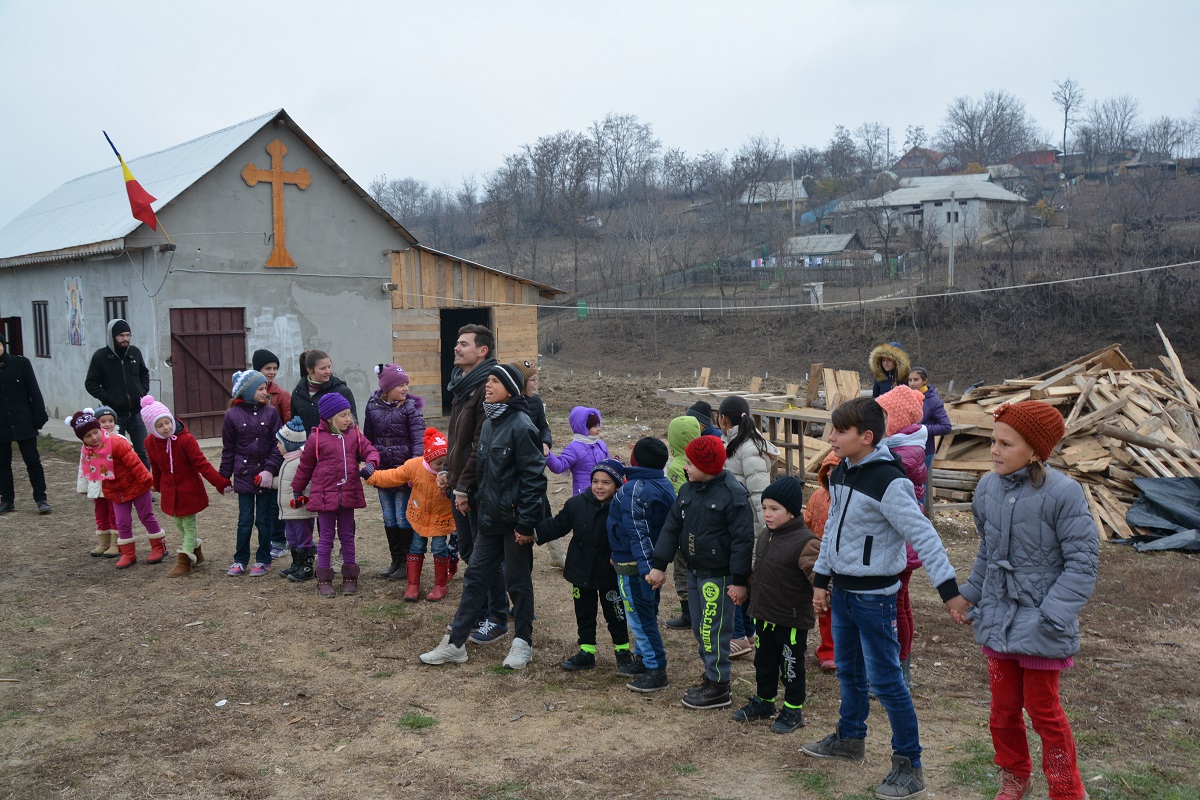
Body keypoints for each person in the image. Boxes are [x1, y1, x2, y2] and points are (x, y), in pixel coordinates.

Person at [800, 396, 969, 800]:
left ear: (867, 437)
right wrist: (821, 581)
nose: (832, 437)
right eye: (833, 429)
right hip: (842, 593)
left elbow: (924, 535)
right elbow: (833, 532)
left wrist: (950, 592)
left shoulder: (890, 482)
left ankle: (910, 765)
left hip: (876, 598)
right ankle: (850, 737)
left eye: (841, 431)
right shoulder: (840, 472)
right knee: (849, 670)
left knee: (888, 681)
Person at [959, 401, 1098, 800]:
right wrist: (970, 594)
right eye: (992, 441)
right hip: (997, 618)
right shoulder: (987, 488)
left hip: (1042, 626)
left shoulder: (1064, 494)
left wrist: (1053, 615)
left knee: (1045, 714)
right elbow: (988, 550)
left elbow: (1082, 563)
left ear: (1036, 450)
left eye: (1006, 443)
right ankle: (1015, 774)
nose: (995, 451)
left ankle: (1066, 789)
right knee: (1002, 713)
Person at [419, 363, 547, 670]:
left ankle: (522, 643)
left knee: (517, 581)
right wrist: (468, 494)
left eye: (494, 381)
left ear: (510, 389)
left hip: (515, 522)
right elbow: (484, 469)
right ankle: (455, 644)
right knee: (475, 576)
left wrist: (526, 523)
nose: (487, 386)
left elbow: (534, 479)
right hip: (489, 518)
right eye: (487, 380)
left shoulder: (521, 425)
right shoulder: (491, 422)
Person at [648, 435, 754, 710]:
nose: (685, 468)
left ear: (708, 465)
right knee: (700, 628)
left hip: (718, 577)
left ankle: (720, 686)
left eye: (691, 463)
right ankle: (711, 675)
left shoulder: (732, 494)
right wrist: (659, 565)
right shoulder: (688, 490)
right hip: (695, 572)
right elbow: (671, 527)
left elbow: (743, 540)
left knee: (714, 629)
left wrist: (740, 581)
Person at [733, 476, 819, 734]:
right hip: (764, 614)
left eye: (774, 509)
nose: (767, 514)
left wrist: (824, 594)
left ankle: (793, 709)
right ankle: (765, 701)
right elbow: (759, 571)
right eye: (764, 508)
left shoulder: (806, 542)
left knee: (791, 665)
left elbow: (819, 576)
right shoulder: (766, 536)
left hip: (790, 619)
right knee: (764, 662)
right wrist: (746, 589)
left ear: (791, 511)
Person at [437, 324, 507, 641]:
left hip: (478, 487)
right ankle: (482, 609)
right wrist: (447, 472)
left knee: (484, 555)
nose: (456, 348)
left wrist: (464, 485)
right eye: (456, 342)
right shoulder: (464, 386)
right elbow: (458, 441)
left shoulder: (486, 390)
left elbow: (481, 445)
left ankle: (496, 615)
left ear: (483, 351)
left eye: (463, 344)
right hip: (459, 482)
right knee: (468, 549)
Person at [535, 458, 633, 674]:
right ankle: (586, 652)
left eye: (606, 482)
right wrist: (532, 532)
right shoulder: (576, 504)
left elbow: (630, 536)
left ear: (618, 485)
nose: (599, 486)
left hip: (609, 573)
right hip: (581, 571)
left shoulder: (623, 507)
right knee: (584, 612)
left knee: (615, 613)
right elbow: (558, 525)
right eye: (595, 481)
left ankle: (623, 651)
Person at [291, 392, 379, 597]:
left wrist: (371, 464)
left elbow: (371, 451)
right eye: (343, 415)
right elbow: (305, 467)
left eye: (349, 414)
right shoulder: (316, 438)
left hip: (348, 494)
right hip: (324, 496)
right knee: (326, 538)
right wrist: (297, 489)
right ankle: (324, 577)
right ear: (330, 417)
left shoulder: (355, 434)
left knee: (347, 536)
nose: (348, 419)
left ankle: (349, 575)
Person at [607, 436, 675, 692]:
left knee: (639, 618)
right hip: (648, 564)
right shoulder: (663, 483)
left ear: (635, 459)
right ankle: (644, 657)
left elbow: (638, 532)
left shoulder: (633, 489)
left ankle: (655, 669)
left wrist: (647, 570)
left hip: (635, 566)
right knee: (646, 612)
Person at [876, 385, 932, 690]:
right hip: (902, 541)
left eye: (882, 415)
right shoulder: (902, 445)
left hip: (900, 543)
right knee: (901, 601)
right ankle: (900, 666)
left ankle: (897, 667)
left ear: (895, 419)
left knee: (895, 605)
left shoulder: (902, 453)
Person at [716, 395, 780, 658]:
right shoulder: (733, 442)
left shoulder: (749, 446)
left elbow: (758, 491)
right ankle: (749, 632)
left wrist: (767, 526)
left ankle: (739, 636)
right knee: (740, 574)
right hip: (733, 520)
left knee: (737, 577)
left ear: (723, 419)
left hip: (747, 522)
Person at [139, 396, 231, 577]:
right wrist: (156, 485)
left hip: (189, 490)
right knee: (178, 522)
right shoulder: (150, 442)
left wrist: (221, 483)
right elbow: (155, 466)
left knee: (188, 525)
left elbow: (202, 464)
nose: (166, 427)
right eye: (160, 425)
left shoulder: (185, 440)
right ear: (152, 428)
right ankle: (197, 551)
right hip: (170, 491)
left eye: (168, 422)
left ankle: (185, 561)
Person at [69, 409, 166, 569]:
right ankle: (128, 553)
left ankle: (158, 547)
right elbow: (93, 474)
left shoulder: (117, 443)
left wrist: (149, 482)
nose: (93, 438)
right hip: (116, 492)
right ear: (82, 439)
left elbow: (135, 464)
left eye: (95, 432)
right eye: (88, 436)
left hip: (137, 486)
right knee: (122, 522)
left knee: (146, 516)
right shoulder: (88, 452)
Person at [366, 427, 455, 602]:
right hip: (420, 517)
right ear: (428, 460)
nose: (442, 468)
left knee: (439, 547)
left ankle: (440, 586)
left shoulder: (451, 473)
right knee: (416, 547)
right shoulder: (414, 466)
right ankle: (413, 585)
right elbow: (393, 476)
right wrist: (371, 476)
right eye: (438, 464)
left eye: (446, 463)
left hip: (440, 519)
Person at [362, 363, 425, 581]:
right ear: (388, 387)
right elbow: (367, 438)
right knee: (388, 516)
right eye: (401, 385)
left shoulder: (411, 408)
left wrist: (415, 468)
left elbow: (418, 439)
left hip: (403, 471)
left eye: (407, 384)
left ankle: (408, 563)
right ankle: (395, 559)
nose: (406, 388)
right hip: (382, 471)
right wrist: (369, 462)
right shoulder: (372, 406)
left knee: (402, 516)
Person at [219, 370, 283, 577]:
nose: (265, 392)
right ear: (246, 391)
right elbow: (229, 449)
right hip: (244, 475)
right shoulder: (231, 416)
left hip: (264, 477)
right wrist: (223, 477)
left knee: (264, 520)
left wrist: (269, 470)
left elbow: (277, 445)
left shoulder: (271, 413)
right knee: (245, 519)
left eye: (266, 388)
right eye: (260, 389)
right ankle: (240, 559)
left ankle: (264, 558)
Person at [84, 319, 151, 467]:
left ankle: (146, 484)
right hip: (113, 416)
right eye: (121, 335)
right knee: (113, 452)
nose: (125, 339)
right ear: (112, 336)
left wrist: (142, 391)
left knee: (143, 451)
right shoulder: (100, 357)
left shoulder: (135, 352)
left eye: (128, 335)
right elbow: (91, 383)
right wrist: (108, 398)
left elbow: (144, 374)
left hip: (136, 413)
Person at [0, 331, 51, 515]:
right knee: (2, 464)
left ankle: (41, 498)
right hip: (1, 425)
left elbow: (34, 392)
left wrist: (38, 417)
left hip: (23, 421)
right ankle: (6, 499)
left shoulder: (20, 363)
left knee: (32, 461)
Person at [802, 450, 841, 674]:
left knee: (825, 607)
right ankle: (834, 651)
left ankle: (829, 652)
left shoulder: (817, 497)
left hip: (822, 561)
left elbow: (807, 522)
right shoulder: (823, 497)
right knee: (832, 608)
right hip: (832, 561)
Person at [663, 414, 702, 631]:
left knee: (682, 569)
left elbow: (677, 499)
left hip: (684, 529)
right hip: (700, 527)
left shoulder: (678, 466)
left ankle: (688, 613)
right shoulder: (700, 460)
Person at [253, 348, 292, 558]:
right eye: (267, 368)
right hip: (257, 456)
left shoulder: (282, 395)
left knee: (276, 500)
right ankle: (266, 539)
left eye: (275, 368)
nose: (272, 372)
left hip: (277, 454)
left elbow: (288, 426)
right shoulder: (249, 394)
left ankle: (279, 539)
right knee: (263, 503)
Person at [271, 416, 317, 583]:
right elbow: (286, 483)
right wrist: (269, 483)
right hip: (290, 511)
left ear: (289, 444)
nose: (277, 446)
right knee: (291, 536)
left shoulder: (300, 462)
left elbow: (309, 483)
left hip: (301, 510)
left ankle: (306, 567)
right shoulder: (288, 461)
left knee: (303, 536)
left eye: (280, 443)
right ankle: (296, 563)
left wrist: (304, 498)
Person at [77, 406, 122, 556]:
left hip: (114, 485)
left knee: (114, 513)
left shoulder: (119, 440)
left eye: (111, 420)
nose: (108, 424)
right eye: (103, 421)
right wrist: (83, 486)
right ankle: (103, 543)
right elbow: (83, 467)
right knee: (100, 513)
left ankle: (117, 543)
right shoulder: (87, 447)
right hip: (96, 485)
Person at [290, 349, 356, 436]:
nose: (328, 371)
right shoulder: (298, 393)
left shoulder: (342, 391)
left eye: (329, 366)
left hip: (335, 447)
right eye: (323, 368)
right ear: (310, 370)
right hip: (308, 447)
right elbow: (295, 425)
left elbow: (353, 425)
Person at [546, 407, 609, 496]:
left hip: (604, 493)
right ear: (583, 427)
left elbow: (609, 465)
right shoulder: (574, 448)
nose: (599, 429)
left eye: (599, 425)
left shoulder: (601, 445)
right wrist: (547, 455)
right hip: (584, 495)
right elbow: (559, 466)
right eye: (594, 426)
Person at [908, 367, 952, 473]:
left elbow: (946, 427)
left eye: (916, 379)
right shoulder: (908, 397)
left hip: (925, 450)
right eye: (910, 380)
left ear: (925, 381)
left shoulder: (933, 401)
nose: (912, 383)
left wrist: (921, 429)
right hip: (908, 448)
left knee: (919, 486)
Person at [516, 360, 552, 456]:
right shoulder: (508, 403)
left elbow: (544, 427)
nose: (536, 383)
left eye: (536, 379)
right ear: (521, 381)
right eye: (532, 380)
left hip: (533, 454)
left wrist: (545, 442)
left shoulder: (536, 400)